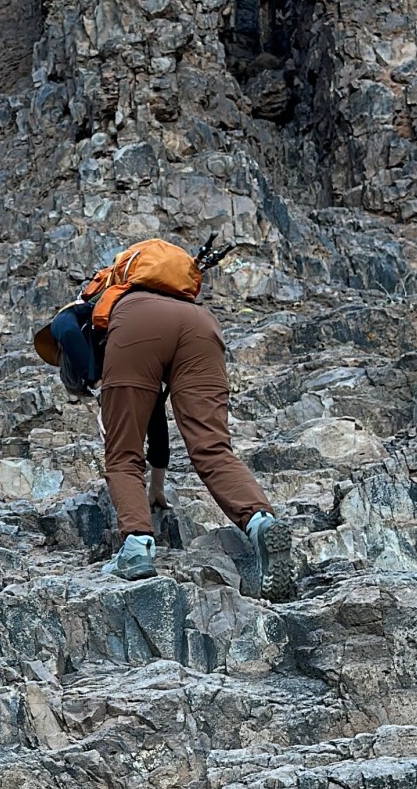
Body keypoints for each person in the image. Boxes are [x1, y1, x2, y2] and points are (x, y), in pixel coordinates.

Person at [98, 250, 292, 601]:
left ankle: (136, 547)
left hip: (139, 323)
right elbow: (155, 415)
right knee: (213, 448)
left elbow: (135, 434)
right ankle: (260, 521)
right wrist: (157, 486)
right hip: (200, 325)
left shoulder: (103, 317)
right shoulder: (183, 303)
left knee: (121, 453)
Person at [45, 298, 172, 518]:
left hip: (155, 331)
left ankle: (137, 534)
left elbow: (63, 328)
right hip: (173, 330)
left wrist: (96, 384)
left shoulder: (78, 317)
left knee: (120, 459)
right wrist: (157, 487)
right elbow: (158, 424)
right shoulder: (126, 352)